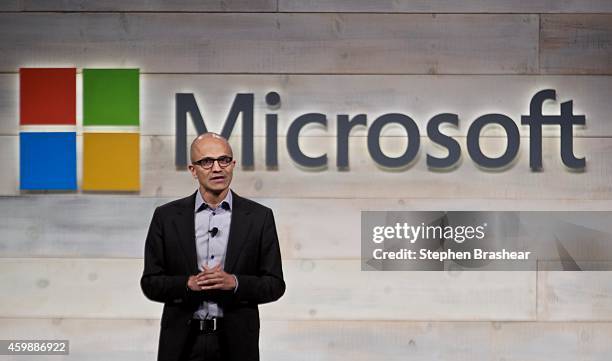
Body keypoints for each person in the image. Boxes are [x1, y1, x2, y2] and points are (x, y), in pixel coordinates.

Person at [141, 133, 285, 361]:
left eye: (224, 160)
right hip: (182, 344)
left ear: (233, 165)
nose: (217, 168)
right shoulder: (167, 217)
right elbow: (150, 283)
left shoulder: (259, 218)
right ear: (192, 169)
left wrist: (234, 283)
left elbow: (275, 285)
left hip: (236, 344)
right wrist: (187, 284)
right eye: (207, 162)